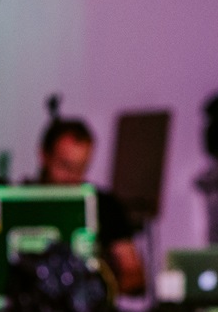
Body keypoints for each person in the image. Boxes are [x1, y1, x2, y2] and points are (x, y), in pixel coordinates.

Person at [35, 106, 146, 295]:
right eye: (65, 166)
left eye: (81, 168)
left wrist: (98, 294)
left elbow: (132, 271)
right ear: (44, 156)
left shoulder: (104, 204)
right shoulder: (18, 204)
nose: (72, 177)